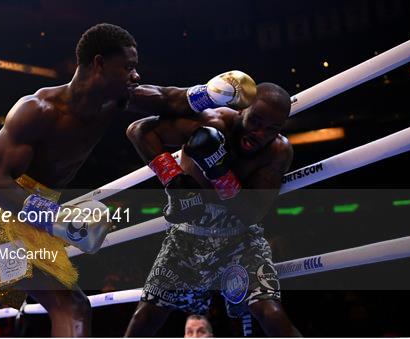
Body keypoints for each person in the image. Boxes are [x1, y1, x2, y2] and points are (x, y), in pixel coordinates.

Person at [0, 21, 256, 337]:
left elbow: (168, 98)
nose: (136, 75)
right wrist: (57, 219)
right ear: (99, 64)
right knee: (71, 306)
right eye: (128, 66)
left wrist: (213, 93)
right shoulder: (36, 110)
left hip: (33, 215)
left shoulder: (116, 99)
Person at [124, 82, 302, 336]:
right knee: (145, 318)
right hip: (188, 235)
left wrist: (219, 172)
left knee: (270, 312)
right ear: (242, 110)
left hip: (239, 237)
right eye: (256, 122)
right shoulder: (211, 122)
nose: (260, 133)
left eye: (271, 129)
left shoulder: (277, 151)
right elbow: (138, 131)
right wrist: (174, 180)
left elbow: (253, 213)